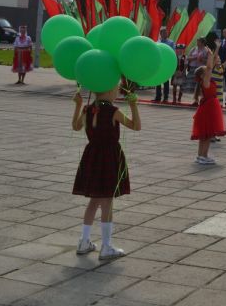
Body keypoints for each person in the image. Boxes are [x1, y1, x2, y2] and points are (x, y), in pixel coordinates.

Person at [71, 79, 141, 260]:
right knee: (107, 202)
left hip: (92, 157)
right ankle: (106, 246)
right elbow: (136, 126)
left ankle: (84, 241)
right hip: (109, 157)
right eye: (116, 88)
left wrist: (78, 106)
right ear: (110, 91)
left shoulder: (88, 110)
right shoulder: (112, 111)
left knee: (94, 201)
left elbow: (76, 127)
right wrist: (133, 105)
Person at [191, 46, 226, 165]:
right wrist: (210, 55)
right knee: (207, 135)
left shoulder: (205, 82)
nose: (208, 70)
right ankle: (203, 156)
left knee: (204, 135)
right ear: (202, 75)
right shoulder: (205, 82)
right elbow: (210, 67)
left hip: (208, 107)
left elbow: (210, 68)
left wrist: (212, 55)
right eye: (205, 70)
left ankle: (200, 155)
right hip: (209, 109)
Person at [154, 28, 176, 103]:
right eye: (164, 32)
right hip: (158, 64)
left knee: (166, 81)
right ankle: (158, 97)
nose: (166, 34)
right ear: (161, 33)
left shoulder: (171, 42)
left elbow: (173, 52)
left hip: (166, 64)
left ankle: (166, 97)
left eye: (166, 32)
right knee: (157, 81)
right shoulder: (157, 42)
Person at [187, 38, 210, 104]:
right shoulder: (194, 49)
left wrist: (202, 60)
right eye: (197, 41)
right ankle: (195, 100)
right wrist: (195, 58)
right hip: (193, 68)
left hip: (201, 70)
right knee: (193, 85)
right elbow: (188, 58)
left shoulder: (206, 50)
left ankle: (201, 99)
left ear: (203, 43)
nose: (197, 43)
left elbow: (209, 60)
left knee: (200, 85)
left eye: (198, 41)